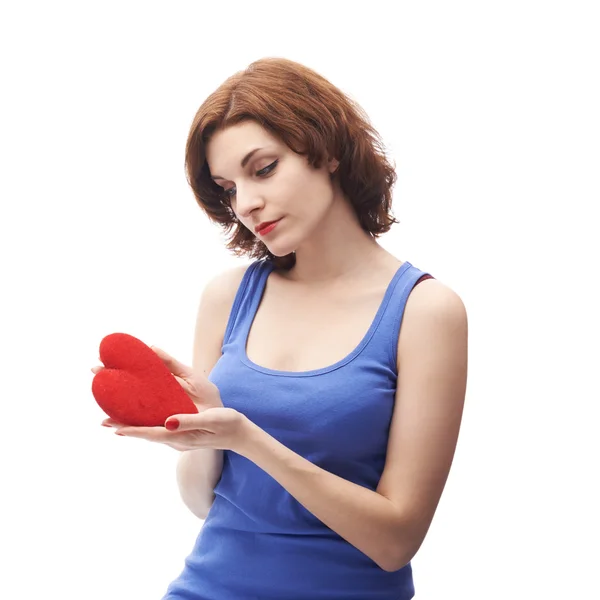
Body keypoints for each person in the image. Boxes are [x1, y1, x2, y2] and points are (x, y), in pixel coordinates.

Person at [96, 57, 468, 599]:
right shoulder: (228, 297)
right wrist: (202, 435)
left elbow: (395, 541)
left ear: (328, 152)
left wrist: (247, 438)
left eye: (263, 168)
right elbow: (204, 503)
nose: (245, 204)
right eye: (227, 188)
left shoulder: (425, 311)